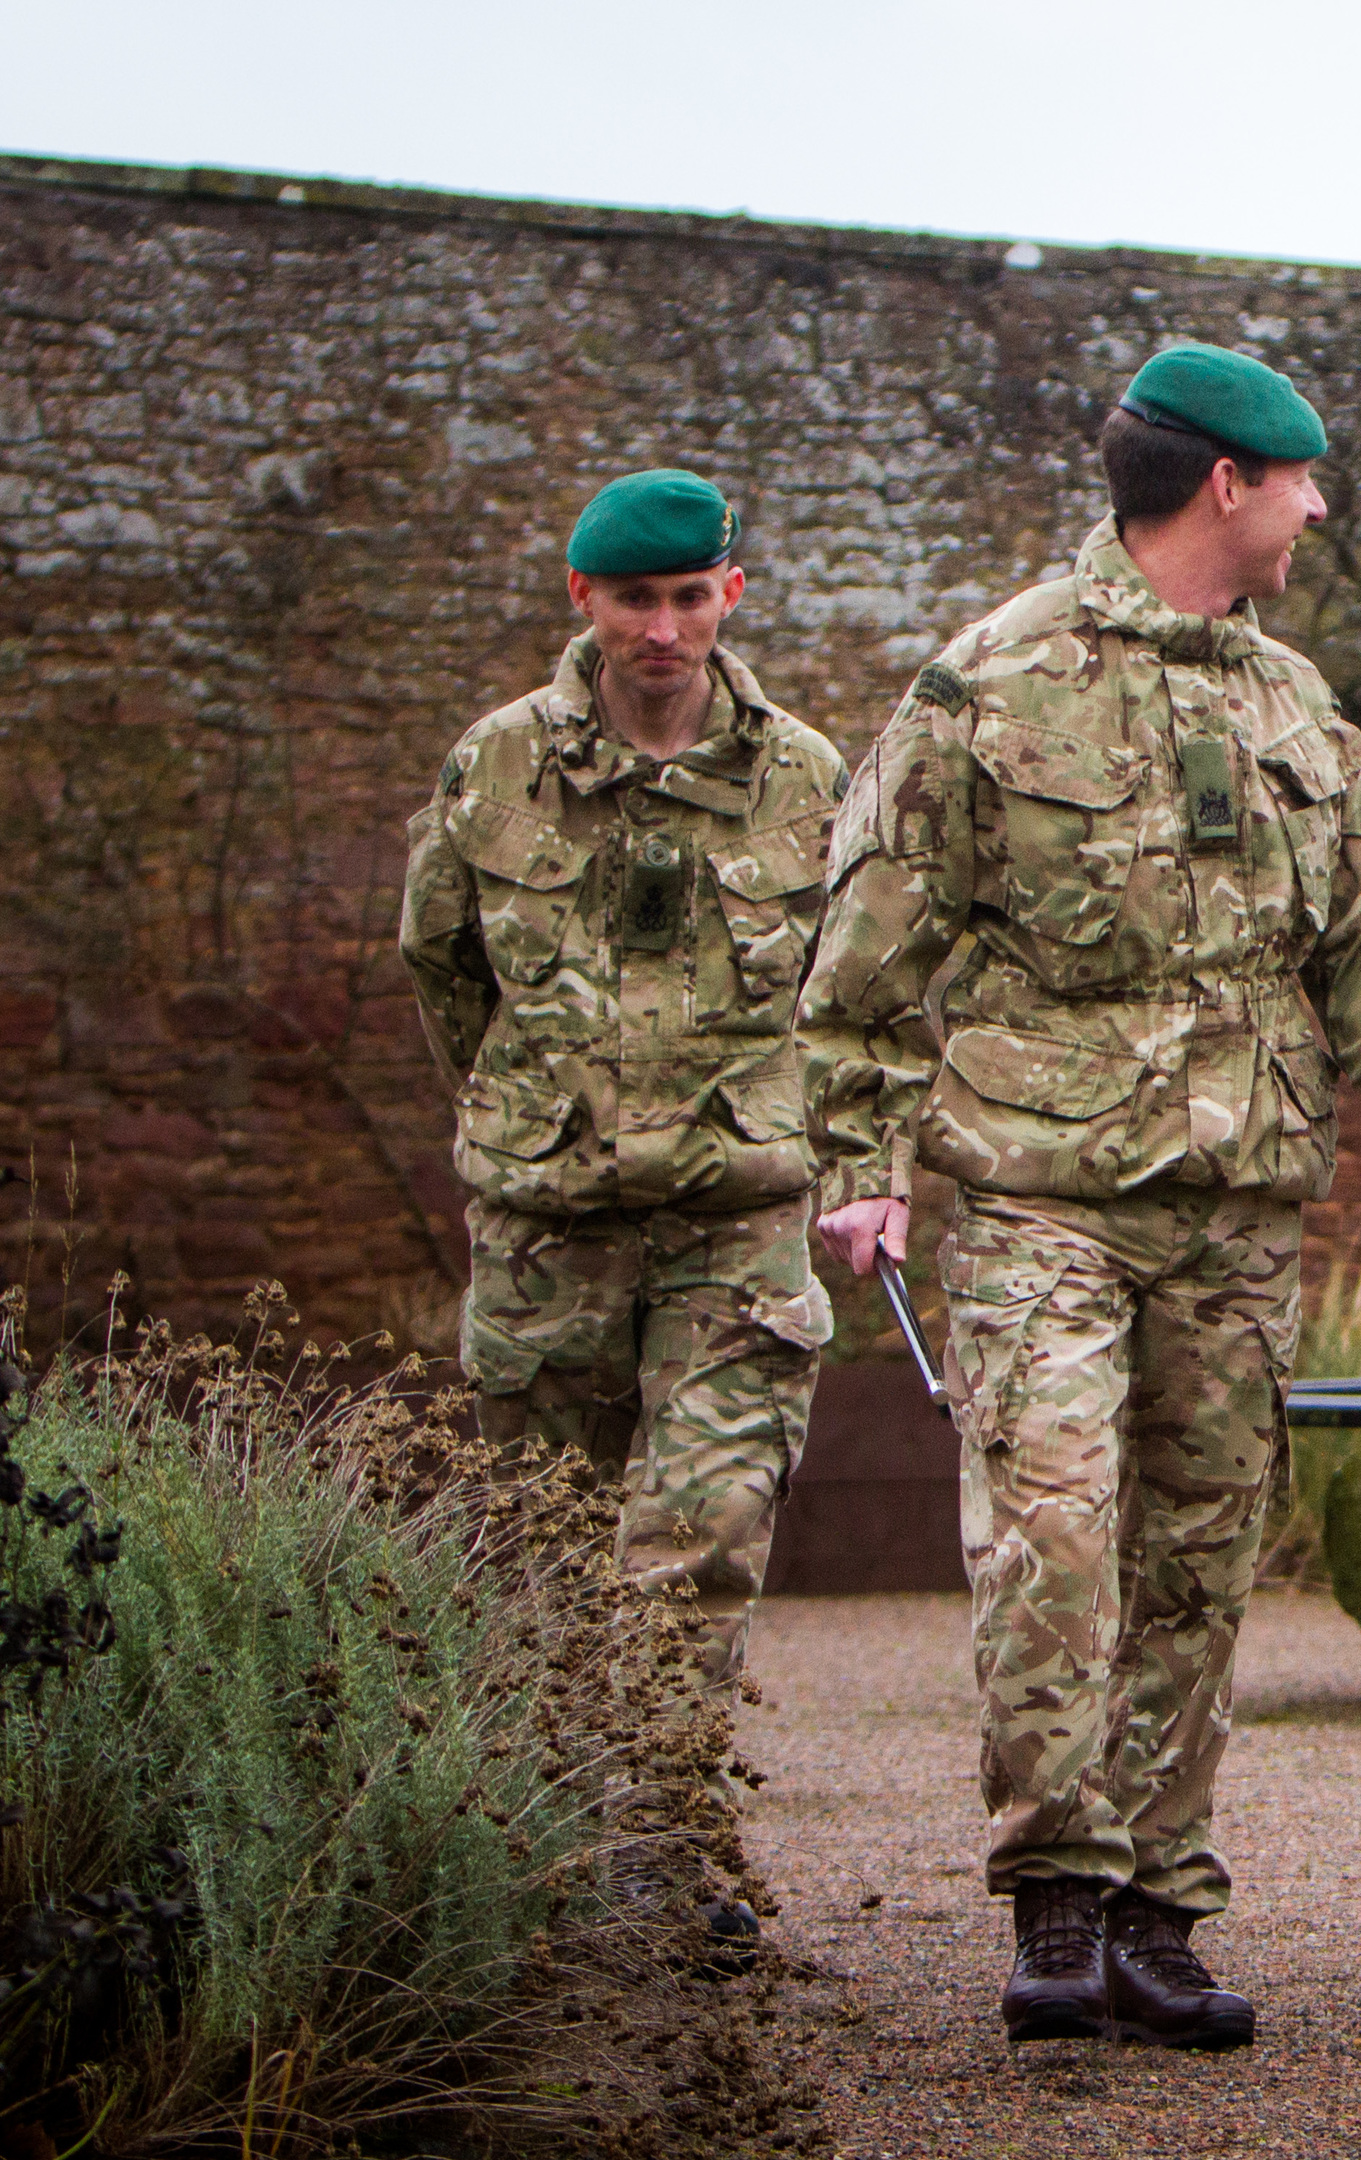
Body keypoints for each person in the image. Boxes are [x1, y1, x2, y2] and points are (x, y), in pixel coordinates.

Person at [797, 344, 1361, 2051]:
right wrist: (863, 1172)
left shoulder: (1298, 711)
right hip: (1041, 1197)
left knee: (1200, 1556)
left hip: (1240, 1209)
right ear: (1228, 486)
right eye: (1305, 478)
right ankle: (1058, 1896)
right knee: (1050, 1538)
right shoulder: (986, 688)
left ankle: (1165, 1908)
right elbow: (867, 959)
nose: (1322, 507)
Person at [400, 469, 845, 1947]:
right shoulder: (495, 769)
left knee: (699, 1540)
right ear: (581, 601)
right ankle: (545, 1854)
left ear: (732, 596)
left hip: (735, 1222)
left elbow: (852, 990)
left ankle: (661, 1852)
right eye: (633, 600)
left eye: (688, 596)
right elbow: (445, 969)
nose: (663, 628)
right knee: (539, 1547)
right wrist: (534, 1115)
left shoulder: (808, 782)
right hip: (550, 1230)